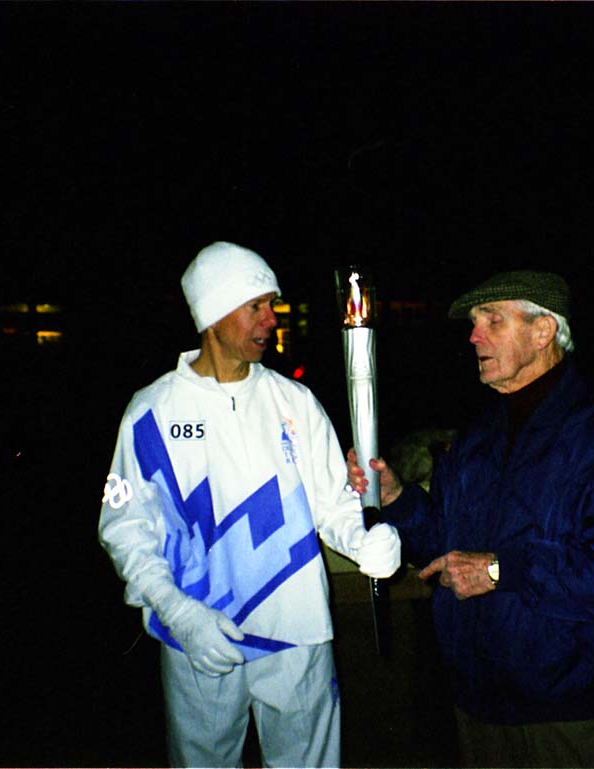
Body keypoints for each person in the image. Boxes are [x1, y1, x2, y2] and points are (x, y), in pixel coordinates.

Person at [348, 269, 594, 768]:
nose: (474, 336)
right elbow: (445, 545)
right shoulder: (479, 436)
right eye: (474, 323)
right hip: (479, 702)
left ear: (543, 332)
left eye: (492, 320)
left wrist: (501, 571)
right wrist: (396, 499)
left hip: (568, 708)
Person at [99, 241, 402, 768]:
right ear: (212, 314)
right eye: (256, 305)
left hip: (297, 631)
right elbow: (124, 530)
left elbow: (333, 503)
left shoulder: (294, 402)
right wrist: (179, 612)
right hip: (200, 635)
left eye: (273, 305)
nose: (271, 319)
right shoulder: (152, 411)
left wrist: (364, 540)